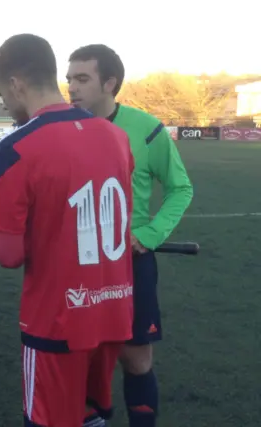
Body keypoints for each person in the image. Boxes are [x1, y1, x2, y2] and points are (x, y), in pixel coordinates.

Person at [0, 33, 135, 427]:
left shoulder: (16, 145)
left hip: (57, 318)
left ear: (16, 84)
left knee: (49, 419)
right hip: (112, 310)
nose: (3, 102)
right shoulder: (116, 136)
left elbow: (11, 255)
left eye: (1, 93)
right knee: (92, 415)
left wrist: (11, 247)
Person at [67, 44, 193, 427]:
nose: (71, 87)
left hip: (131, 264)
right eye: (69, 78)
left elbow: (180, 188)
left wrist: (150, 234)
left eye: (82, 79)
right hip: (79, 265)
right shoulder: (60, 128)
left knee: (136, 359)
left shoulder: (147, 129)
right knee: (81, 358)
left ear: (110, 82)